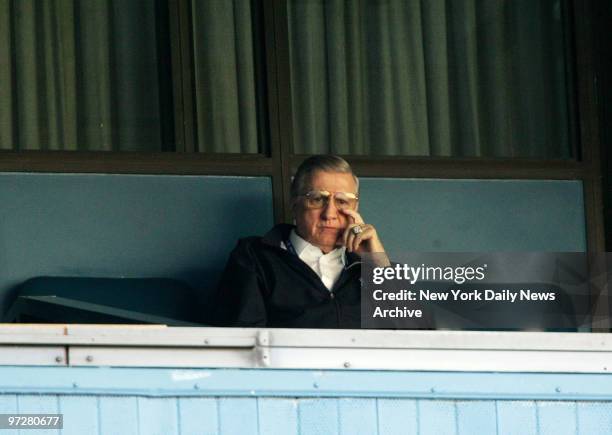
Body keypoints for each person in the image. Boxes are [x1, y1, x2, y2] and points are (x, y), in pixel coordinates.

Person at [210, 155, 390, 328]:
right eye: (318, 199)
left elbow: (413, 335)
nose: (330, 214)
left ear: (355, 208)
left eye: (342, 201)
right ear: (294, 205)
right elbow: (242, 339)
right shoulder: (254, 258)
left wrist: (379, 265)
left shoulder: (370, 265)